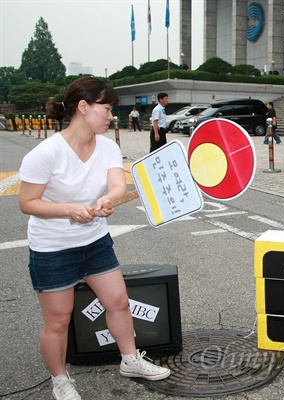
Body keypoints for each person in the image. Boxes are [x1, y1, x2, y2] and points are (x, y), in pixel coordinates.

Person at [19, 77, 171, 400]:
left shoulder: (109, 147)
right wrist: (68, 210)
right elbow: (27, 203)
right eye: (106, 108)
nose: (111, 116)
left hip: (95, 241)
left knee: (118, 301)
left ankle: (130, 359)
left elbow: (117, 185)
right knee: (58, 320)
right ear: (83, 107)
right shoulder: (46, 153)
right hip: (52, 247)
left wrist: (109, 200)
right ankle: (60, 379)